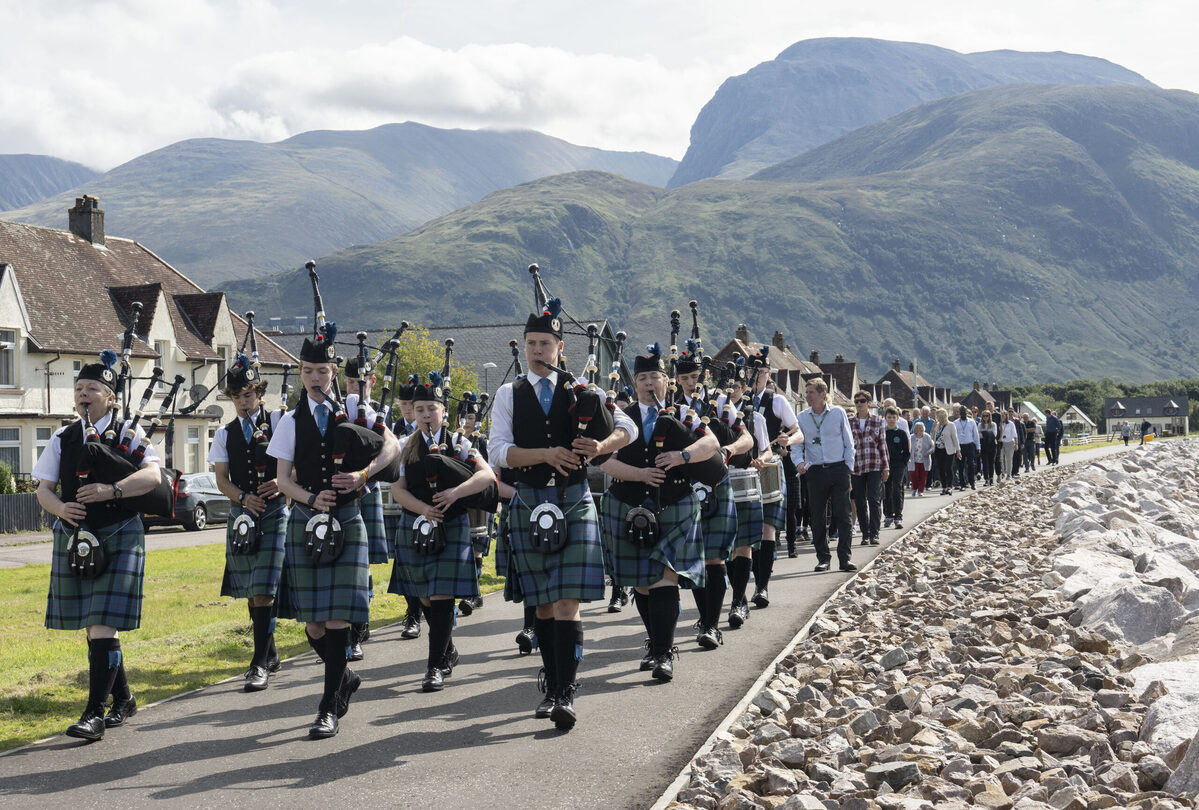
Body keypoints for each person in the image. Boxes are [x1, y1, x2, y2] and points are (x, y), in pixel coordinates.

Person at [487, 295, 635, 731]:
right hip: (530, 499)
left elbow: (629, 427)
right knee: (545, 607)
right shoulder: (508, 393)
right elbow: (496, 451)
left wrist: (601, 446)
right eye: (531, 343)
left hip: (573, 499)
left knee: (567, 602)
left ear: (559, 348)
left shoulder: (582, 390)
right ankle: (551, 685)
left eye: (544, 344)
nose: (536, 351)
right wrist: (545, 453)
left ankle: (564, 693)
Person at [266, 324, 401, 739]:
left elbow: (393, 447)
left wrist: (363, 474)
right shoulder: (290, 420)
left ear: (334, 372)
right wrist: (309, 499)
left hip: (347, 518)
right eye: (307, 371)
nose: (315, 378)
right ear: (301, 372)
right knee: (313, 623)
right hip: (308, 521)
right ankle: (343, 678)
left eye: (322, 371)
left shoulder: (359, 410)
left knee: (338, 618)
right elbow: (282, 480)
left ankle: (328, 707)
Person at [33, 353, 164, 742]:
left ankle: (94, 714)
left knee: (102, 623)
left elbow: (154, 476)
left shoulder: (129, 434)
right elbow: (43, 489)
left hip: (120, 530)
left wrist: (113, 489)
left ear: (110, 397)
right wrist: (60, 508)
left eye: (92, 389)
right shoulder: (63, 437)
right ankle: (122, 698)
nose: (83, 395)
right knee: (95, 628)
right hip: (78, 537)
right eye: (78, 389)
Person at [600, 344, 716, 680]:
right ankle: (655, 642)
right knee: (642, 584)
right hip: (628, 504)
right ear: (635, 384)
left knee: (665, 576)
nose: (650, 383)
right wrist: (640, 474)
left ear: (667, 381)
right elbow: (603, 460)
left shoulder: (684, 413)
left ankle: (664, 653)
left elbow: (710, 445)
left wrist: (684, 456)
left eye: (655, 377)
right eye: (643, 378)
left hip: (675, 503)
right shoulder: (620, 417)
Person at [389, 373, 496, 692]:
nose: (425, 414)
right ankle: (447, 650)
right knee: (423, 594)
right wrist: (423, 509)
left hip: (451, 524)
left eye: (431, 408)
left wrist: (455, 494)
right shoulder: (404, 446)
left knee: (441, 597)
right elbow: (398, 490)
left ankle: (434, 666)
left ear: (442, 411)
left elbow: (487, 476)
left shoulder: (460, 444)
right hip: (417, 523)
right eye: (419, 408)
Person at [209, 355, 286, 692]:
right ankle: (268, 653)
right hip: (243, 516)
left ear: (259, 393)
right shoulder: (224, 434)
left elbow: (299, 463)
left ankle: (258, 664)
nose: (243, 402)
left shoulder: (281, 421)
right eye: (237, 396)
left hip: (275, 512)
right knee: (252, 596)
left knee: (264, 591)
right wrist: (242, 499)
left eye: (248, 395)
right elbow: (221, 480)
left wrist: (284, 482)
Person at [674, 345, 747, 651]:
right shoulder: (670, 406)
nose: (691, 382)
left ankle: (711, 626)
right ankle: (705, 619)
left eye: (695, 376)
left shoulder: (719, 403)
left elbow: (747, 437)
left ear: (702, 375)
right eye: (685, 378)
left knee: (715, 556)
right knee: (694, 559)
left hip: (717, 483)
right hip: (684, 487)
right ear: (677, 380)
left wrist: (730, 449)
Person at [343, 356, 388, 661]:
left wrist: (365, 474)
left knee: (364, 563)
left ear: (371, 382)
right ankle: (350, 627)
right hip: (339, 495)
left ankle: (360, 622)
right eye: (349, 383)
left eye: (360, 383)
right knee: (345, 563)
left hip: (367, 491)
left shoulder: (379, 416)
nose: (354, 388)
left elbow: (390, 453)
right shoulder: (337, 410)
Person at [722, 362, 772, 626]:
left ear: (744, 388)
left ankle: (737, 602)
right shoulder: (712, 413)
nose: (731, 392)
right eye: (727, 387)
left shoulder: (755, 416)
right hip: (719, 484)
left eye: (736, 387)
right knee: (726, 548)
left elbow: (766, 449)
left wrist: (762, 459)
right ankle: (738, 597)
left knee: (744, 545)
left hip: (747, 484)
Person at [791, 378, 856, 573]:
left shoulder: (838, 413)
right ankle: (823, 558)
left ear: (822, 394)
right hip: (816, 471)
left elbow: (848, 441)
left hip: (838, 469)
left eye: (810, 392)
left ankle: (845, 558)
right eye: (806, 391)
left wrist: (848, 468)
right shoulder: (802, 417)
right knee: (817, 517)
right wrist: (798, 463)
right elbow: (797, 444)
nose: (806, 395)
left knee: (843, 515)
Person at [748, 353, 795, 606]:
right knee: (746, 532)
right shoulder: (734, 400)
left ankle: (762, 587)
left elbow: (796, 430)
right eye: (751, 372)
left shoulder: (776, 401)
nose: (755, 376)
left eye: (761, 372)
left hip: (769, 466)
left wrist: (788, 440)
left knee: (767, 529)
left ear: (768, 375)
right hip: (743, 468)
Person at [392, 376, 425, 641]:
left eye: (409, 404)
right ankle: (412, 613)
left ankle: (436, 613)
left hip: (434, 501)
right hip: (407, 500)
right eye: (402, 404)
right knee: (408, 565)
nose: (405, 409)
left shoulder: (433, 425)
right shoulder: (395, 427)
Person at [454, 392, 489, 616]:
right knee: (461, 545)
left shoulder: (481, 440)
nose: (468, 421)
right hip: (457, 496)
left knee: (477, 545)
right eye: (465, 416)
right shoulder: (453, 439)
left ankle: (474, 594)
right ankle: (466, 590)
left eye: (472, 417)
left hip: (477, 496)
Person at [849, 391, 888, 545]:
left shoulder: (878, 420)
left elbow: (882, 445)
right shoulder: (850, 421)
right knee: (859, 501)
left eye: (862, 401)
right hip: (856, 466)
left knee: (874, 499)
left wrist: (886, 467)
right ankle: (865, 534)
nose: (859, 404)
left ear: (869, 403)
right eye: (857, 401)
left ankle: (874, 533)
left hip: (874, 464)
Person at [882, 407, 909, 529]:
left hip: (899, 465)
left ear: (898, 418)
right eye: (889, 417)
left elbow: (906, 451)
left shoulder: (901, 433)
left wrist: (903, 462)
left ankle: (898, 516)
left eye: (894, 417)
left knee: (897, 488)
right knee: (886, 490)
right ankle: (888, 515)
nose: (892, 420)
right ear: (885, 418)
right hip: (885, 465)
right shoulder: (882, 432)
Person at [931, 408, 960, 496]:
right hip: (938, 450)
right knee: (941, 469)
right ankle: (944, 487)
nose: (938, 418)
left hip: (949, 450)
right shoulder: (936, 425)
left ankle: (949, 487)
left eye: (939, 416)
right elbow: (932, 438)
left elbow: (955, 438)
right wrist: (932, 430)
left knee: (948, 468)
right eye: (937, 416)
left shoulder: (951, 425)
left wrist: (958, 450)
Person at [954, 405, 980, 491]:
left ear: (967, 412)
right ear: (959, 413)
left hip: (970, 445)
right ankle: (962, 484)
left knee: (971, 465)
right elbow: (954, 437)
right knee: (960, 467)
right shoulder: (955, 423)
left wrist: (978, 447)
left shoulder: (972, 422)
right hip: (960, 447)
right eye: (961, 412)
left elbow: (976, 435)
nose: (963, 413)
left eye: (964, 412)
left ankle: (972, 483)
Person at [908, 421, 933, 496]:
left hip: (924, 460)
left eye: (921, 428)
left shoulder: (927, 436)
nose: (920, 430)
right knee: (914, 475)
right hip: (913, 460)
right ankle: (914, 488)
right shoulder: (911, 437)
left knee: (922, 476)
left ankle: (920, 490)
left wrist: (928, 453)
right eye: (918, 428)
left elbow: (932, 446)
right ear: (915, 429)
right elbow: (907, 447)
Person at [978, 411, 998, 486]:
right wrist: (987, 434)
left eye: (987, 416)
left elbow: (994, 434)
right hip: (983, 445)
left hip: (992, 445)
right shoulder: (980, 425)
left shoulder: (993, 424)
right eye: (984, 416)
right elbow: (978, 434)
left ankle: (991, 478)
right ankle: (986, 479)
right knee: (985, 462)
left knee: (991, 462)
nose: (985, 417)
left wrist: (983, 433)